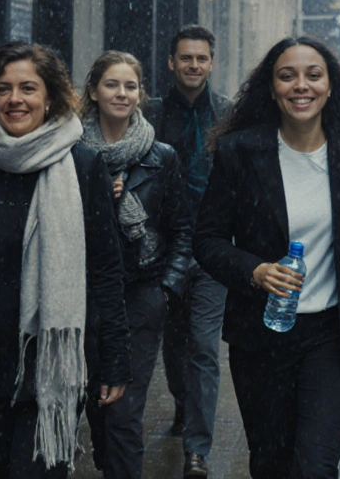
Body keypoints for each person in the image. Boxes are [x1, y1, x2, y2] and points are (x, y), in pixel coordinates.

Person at [0, 43, 131, 479]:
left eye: (28, 88)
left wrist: (116, 360)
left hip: (49, 362)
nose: (15, 99)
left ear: (49, 96)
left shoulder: (82, 165)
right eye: (3, 89)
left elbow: (106, 269)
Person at [193, 36, 340, 479]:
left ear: (331, 86)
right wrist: (253, 271)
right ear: (271, 88)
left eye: (314, 75)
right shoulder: (240, 152)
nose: (301, 86)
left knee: (314, 466)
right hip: (261, 336)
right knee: (271, 464)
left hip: (334, 335)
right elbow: (207, 239)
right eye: (287, 76)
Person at [78, 51, 194, 478]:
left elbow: (182, 229)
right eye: (111, 84)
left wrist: (166, 289)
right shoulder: (71, 153)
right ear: (93, 91)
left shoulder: (161, 157)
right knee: (95, 408)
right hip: (85, 298)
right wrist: (98, 201)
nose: (121, 93)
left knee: (124, 412)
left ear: (141, 94)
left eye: (130, 85)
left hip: (141, 296)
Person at [142, 25, 232, 477]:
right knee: (173, 346)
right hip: (161, 251)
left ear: (211, 63)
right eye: (186, 58)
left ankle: (197, 448)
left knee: (203, 346)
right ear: (172, 63)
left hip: (212, 251)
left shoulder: (229, 114)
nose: (194, 65)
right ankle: (182, 403)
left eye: (201, 58)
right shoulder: (151, 114)